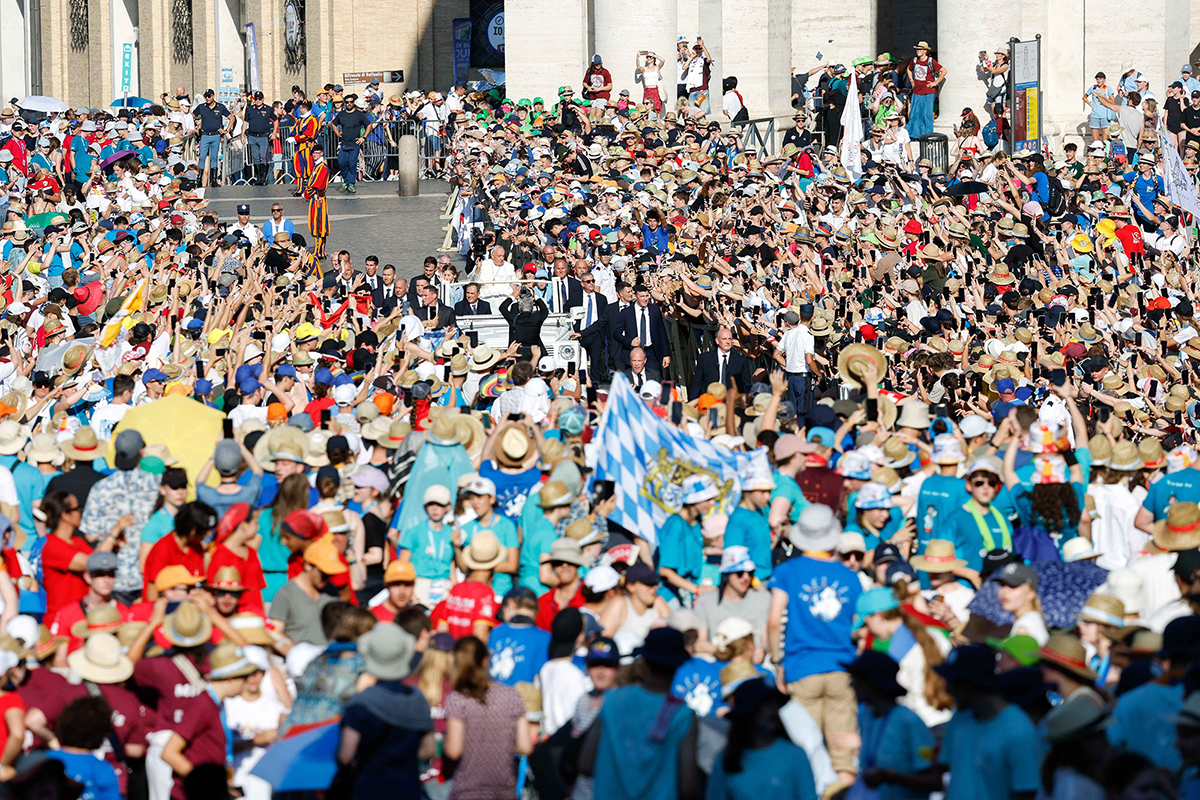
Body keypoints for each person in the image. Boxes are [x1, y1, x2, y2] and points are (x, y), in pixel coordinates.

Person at [768, 504, 861, 784]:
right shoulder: (850, 576)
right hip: (842, 669)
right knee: (843, 754)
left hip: (801, 667)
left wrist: (776, 662)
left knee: (806, 752)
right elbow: (858, 624)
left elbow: (774, 621)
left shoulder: (788, 571)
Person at [580, 627, 700, 799]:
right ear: (679, 664)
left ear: (644, 661)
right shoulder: (683, 715)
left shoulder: (613, 700)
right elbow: (688, 787)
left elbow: (586, 764)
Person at [337, 624, 435, 799]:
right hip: (407, 789)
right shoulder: (417, 699)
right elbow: (428, 750)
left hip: (369, 789)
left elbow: (346, 756)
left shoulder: (361, 703)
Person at [934, 644, 1041, 800]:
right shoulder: (959, 718)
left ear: (973, 683)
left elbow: (1026, 794)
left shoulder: (1019, 731)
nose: (948, 690)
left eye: (955, 683)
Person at [443, 635, 532, 798]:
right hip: (504, 792)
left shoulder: (457, 700)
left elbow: (454, 750)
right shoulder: (511, 695)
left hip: (467, 791)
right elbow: (525, 746)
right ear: (485, 660)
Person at [907, 41, 946, 138]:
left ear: (925, 51)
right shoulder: (914, 60)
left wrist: (935, 83)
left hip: (928, 92)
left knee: (927, 115)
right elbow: (909, 69)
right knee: (915, 114)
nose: (918, 51)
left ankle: (927, 135)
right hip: (917, 91)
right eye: (917, 49)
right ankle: (915, 135)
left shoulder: (930, 61)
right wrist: (912, 80)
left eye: (921, 49)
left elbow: (943, 71)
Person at [304, 142, 331, 260]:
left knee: (319, 224)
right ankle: (320, 250)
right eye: (313, 153)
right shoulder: (317, 166)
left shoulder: (322, 167)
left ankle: (319, 251)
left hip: (318, 198)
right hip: (315, 198)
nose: (314, 155)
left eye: (317, 153)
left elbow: (318, 185)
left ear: (321, 154)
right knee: (316, 222)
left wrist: (306, 193)